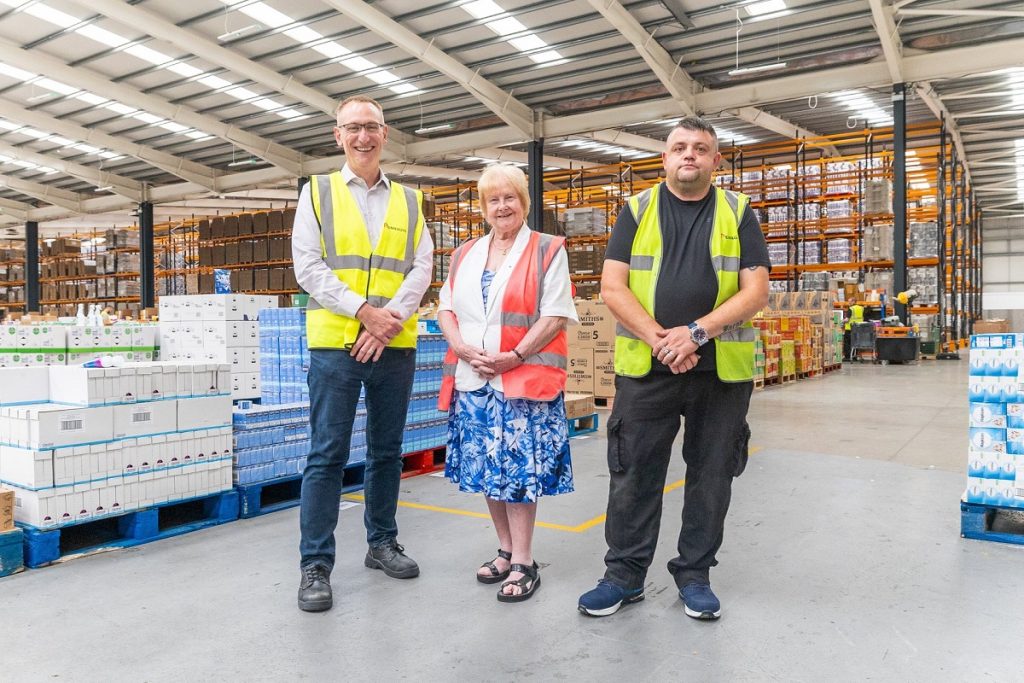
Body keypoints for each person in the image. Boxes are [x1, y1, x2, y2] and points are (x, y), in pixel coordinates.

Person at [578, 116, 770, 620]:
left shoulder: (737, 211)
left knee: (712, 475)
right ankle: (624, 575)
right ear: (664, 158)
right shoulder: (636, 210)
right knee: (634, 472)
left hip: (719, 371)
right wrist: (662, 340)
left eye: (700, 148)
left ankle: (695, 574)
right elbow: (612, 287)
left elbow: (756, 291)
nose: (690, 154)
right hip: (648, 367)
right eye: (680, 147)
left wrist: (696, 333)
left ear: (715, 160)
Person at [291, 95, 433, 612]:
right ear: (338, 136)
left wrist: (387, 320)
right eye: (352, 128)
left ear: (385, 133)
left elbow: (422, 266)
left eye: (371, 127)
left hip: (393, 343)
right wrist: (364, 313)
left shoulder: (411, 200)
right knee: (326, 455)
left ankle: (382, 542)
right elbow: (307, 266)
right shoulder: (317, 192)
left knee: (386, 450)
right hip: (336, 344)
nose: (362, 137)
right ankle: (315, 564)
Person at [437, 164, 577, 603]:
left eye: (510, 197)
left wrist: (513, 356)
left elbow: (556, 314)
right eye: (493, 200)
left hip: (522, 379)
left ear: (524, 202)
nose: (502, 207)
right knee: (485, 469)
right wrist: (460, 347)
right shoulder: (465, 253)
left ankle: (524, 561)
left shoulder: (547, 249)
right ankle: (504, 550)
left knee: (517, 472)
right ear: (483, 208)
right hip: (473, 380)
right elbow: (444, 307)